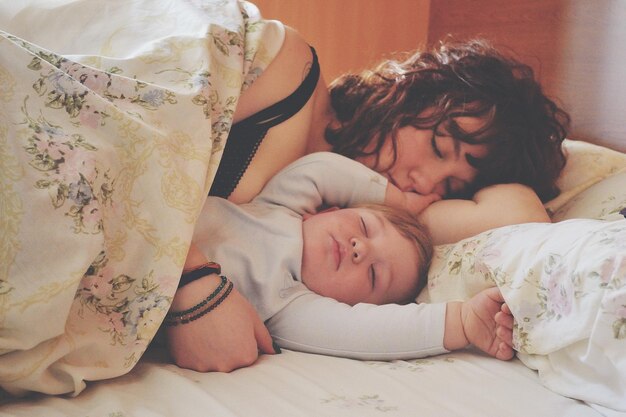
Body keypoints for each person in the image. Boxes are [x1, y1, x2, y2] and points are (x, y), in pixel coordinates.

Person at [0, 0, 566, 394]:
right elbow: (109, 122)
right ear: (414, 93)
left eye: (453, 190)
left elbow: (522, 216)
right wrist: (191, 281)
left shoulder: (327, 244)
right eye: (441, 147)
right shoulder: (282, 67)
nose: (425, 186)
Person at [166, 152, 517, 372]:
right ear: (332, 208)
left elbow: (370, 333)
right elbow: (323, 169)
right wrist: (396, 199)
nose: (359, 249)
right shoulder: (280, 204)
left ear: (350, 305)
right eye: (364, 226)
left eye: (374, 275)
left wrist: (463, 320)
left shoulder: (289, 305)